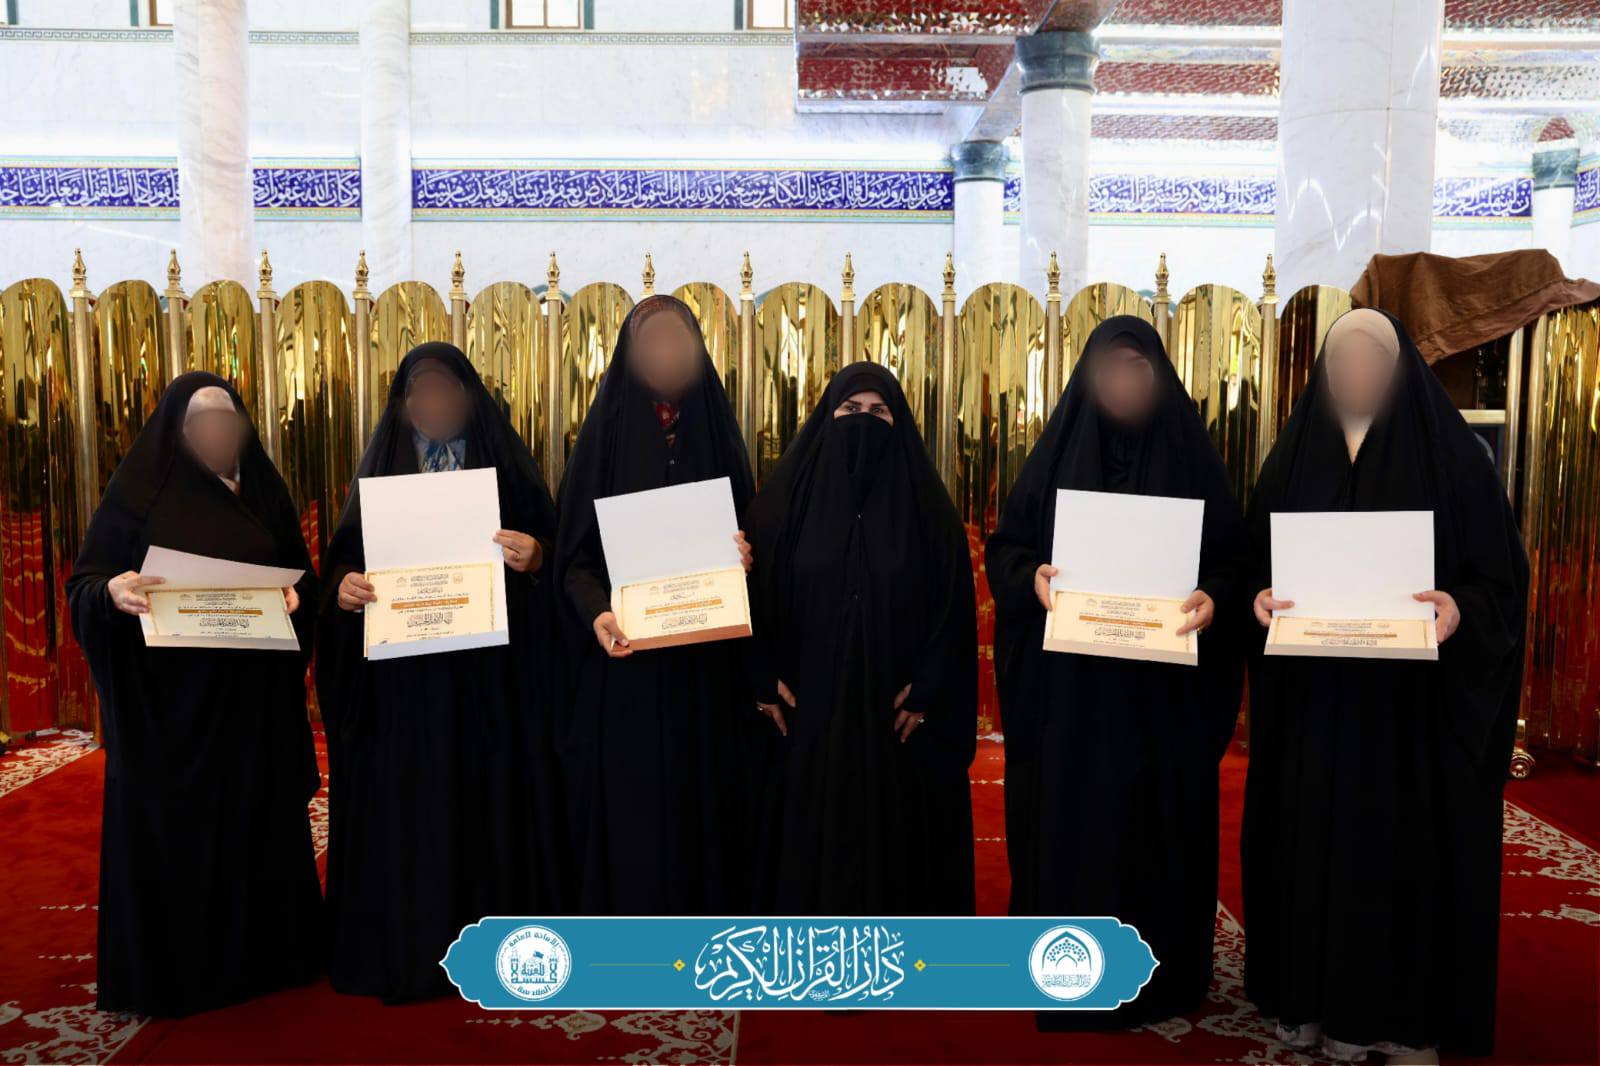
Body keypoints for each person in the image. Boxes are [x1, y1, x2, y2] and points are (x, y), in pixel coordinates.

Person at [1241, 309, 1528, 1063]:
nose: (1356, 372)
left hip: (1409, 722)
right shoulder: (1294, 456)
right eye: (1343, 360)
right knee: (1312, 849)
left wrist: (1460, 607)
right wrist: (1258, 598)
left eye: (1372, 358)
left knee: (1397, 863)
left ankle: (1403, 1021)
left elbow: (1500, 581)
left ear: (1400, 368)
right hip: (1315, 709)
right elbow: (1251, 566)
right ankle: (1308, 1002)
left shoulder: (1454, 461)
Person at [985, 316, 1249, 1029]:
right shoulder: (1054, 461)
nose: (1125, 382)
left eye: (1139, 368)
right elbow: (1007, 550)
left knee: (1157, 831)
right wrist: (1031, 579)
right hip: (1074, 701)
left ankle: (1161, 976)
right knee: (1075, 832)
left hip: (1164, 702)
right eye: (1112, 369)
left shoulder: (1193, 460)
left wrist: (1214, 597)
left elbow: (1234, 560)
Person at [317, 342, 564, 1003]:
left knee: (488, 804)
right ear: (403, 406)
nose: (434, 403)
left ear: (470, 397)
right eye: (420, 393)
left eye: (446, 390)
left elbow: (557, 556)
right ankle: (414, 946)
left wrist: (538, 557)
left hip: (490, 687)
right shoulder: (381, 475)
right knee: (412, 813)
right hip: (404, 693)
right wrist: (345, 590)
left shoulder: (507, 471)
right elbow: (339, 573)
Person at [67, 372, 321, 1016]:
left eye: (225, 420)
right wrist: (111, 594)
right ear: (175, 432)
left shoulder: (263, 490)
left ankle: (267, 961)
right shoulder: (139, 496)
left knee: (256, 830)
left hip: (252, 709)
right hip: (172, 716)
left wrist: (297, 600)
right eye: (199, 422)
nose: (215, 432)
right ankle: (180, 975)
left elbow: (303, 583)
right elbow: (87, 587)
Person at [552, 294, 759, 915]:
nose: (667, 354)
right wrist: (598, 612)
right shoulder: (604, 439)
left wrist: (747, 555)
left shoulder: (717, 434)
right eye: (653, 343)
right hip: (629, 669)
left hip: (707, 672)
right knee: (634, 812)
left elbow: (754, 540)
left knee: (707, 805)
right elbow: (573, 560)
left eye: (678, 341)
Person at [746, 363, 976, 914]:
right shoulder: (782, 506)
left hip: (895, 722)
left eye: (879, 411)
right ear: (828, 416)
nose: (863, 421)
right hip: (807, 718)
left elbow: (953, 608)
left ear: (899, 422)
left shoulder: (928, 510)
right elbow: (749, 599)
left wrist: (930, 688)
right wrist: (761, 675)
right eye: (850, 410)